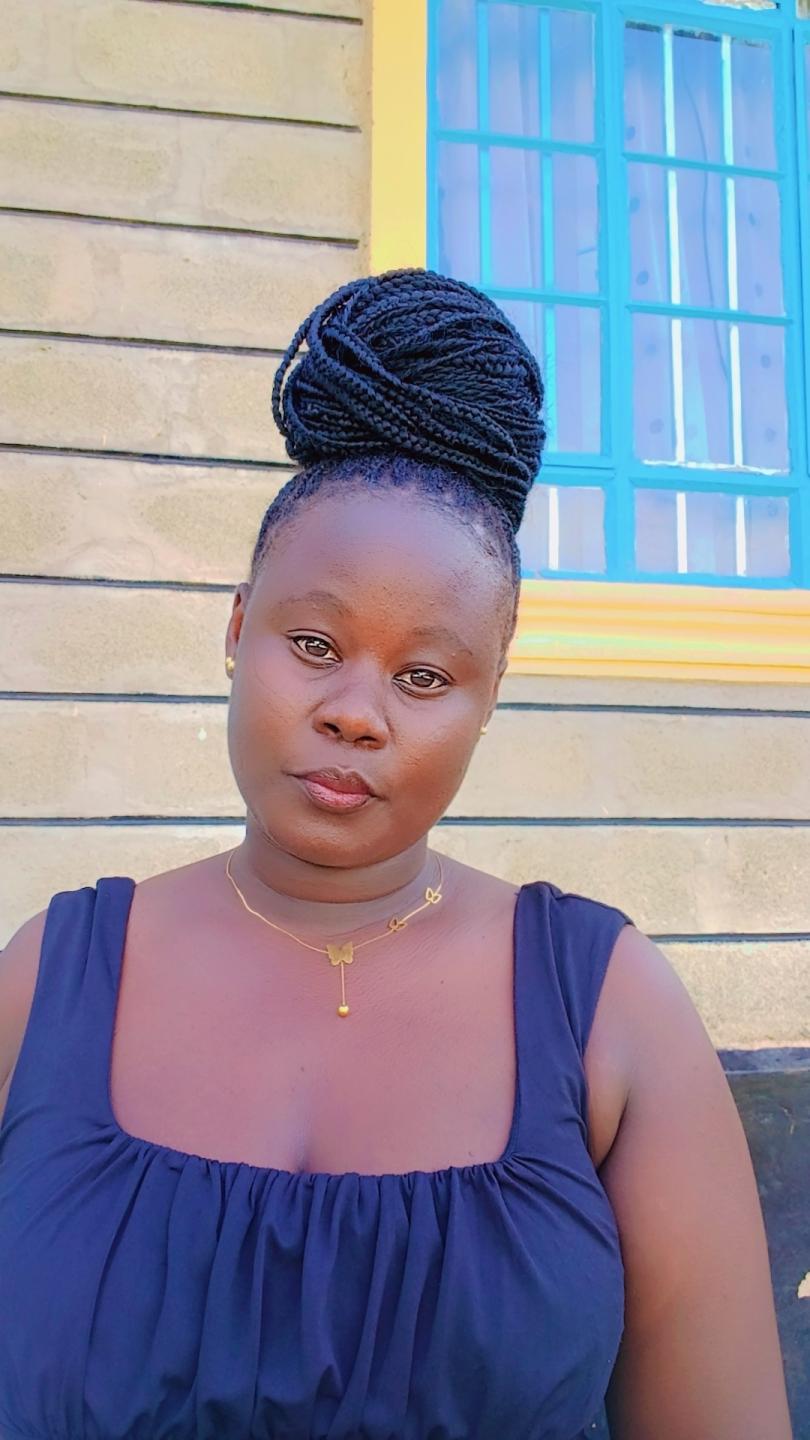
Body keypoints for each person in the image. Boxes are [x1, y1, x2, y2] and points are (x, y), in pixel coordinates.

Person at [0, 269, 792, 1440]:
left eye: (423, 675)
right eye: (315, 645)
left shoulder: (609, 1008)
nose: (356, 713)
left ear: (488, 697)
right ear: (238, 630)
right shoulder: (46, 980)